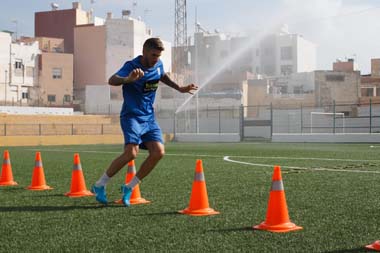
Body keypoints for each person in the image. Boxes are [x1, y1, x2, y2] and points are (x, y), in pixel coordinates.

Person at [91, 37, 198, 206]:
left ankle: (129, 187)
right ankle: (99, 185)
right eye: (153, 54)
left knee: (158, 152)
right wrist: (128, 80)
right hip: (131, 116)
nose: (156, 58)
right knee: (131, 153)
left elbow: (162, 76)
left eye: (158, 55)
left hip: (149, 118)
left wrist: (180, 88)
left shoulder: (158, 64)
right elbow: (112, 80)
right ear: (144, 52)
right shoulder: (131, 66)